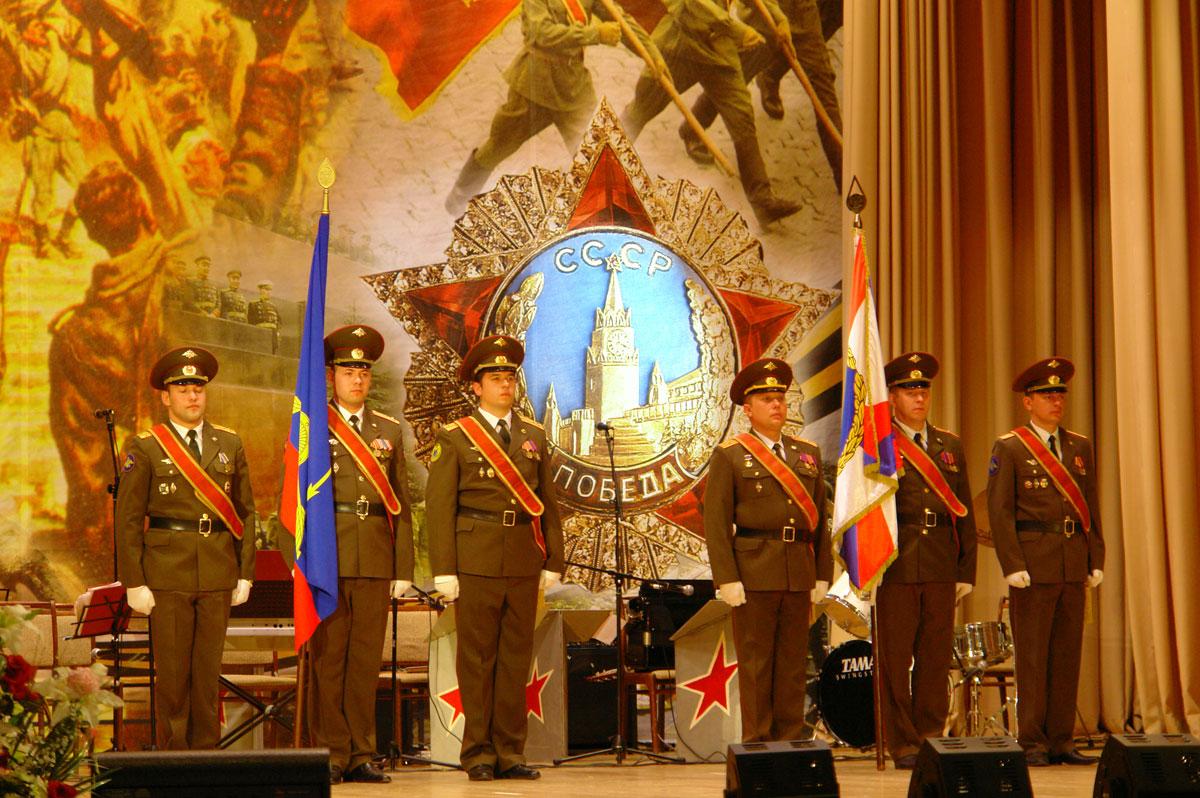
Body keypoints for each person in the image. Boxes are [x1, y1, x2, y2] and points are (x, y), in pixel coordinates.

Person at [426, 334, 564, 780]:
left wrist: (554, 560)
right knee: (477, 659)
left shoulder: (533, 436)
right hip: (475, 558)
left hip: (523, 557)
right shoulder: (456, 437)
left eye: (509, 377)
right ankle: (479, 753)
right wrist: (444, 570)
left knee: (515, 658)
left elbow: (548, 504)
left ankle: (510, 751)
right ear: (477, 386)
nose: (505, 385)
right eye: (495, 378)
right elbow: (440, 508)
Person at [285, 325, 414, 784]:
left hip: (375, 556)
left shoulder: (388, 430)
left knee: (364, 663)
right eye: (347, 371)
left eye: (363, 371)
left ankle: (362, 752)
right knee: (330, 660)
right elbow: (294, 497)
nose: (356, 379)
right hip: (328, 557)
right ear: (331, 376)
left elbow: (401, 504)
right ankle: (332, 752)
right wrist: (299, 558)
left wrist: (403, 567)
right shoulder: (312, 427)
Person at [114, 346, 256, 750]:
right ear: (166, 397)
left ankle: (207, 759)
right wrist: (134, 581)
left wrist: (245, 572)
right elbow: (127, 520)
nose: (192, 396)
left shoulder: (229, 442)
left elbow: (247, 512)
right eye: (182, 389)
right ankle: (176, 761)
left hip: (217, 569)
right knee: (174, 678)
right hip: (167, 572)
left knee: (207, 676)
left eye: (198, 388)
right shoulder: (145, 446)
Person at [703, 358, 831, 742]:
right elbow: (716, 523)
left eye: (780, 398)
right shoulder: (730, 455)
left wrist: (822, 574)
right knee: (757, 666)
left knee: (793, 666)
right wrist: (726, 578)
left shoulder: (806, 453)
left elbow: (820, 519)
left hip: (798, 571)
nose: (776, 405)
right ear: (748, 409)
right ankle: (758, 748)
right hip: (753, 572)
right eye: (766, 399)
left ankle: (790, 742)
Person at [987, 356, 1104, 767]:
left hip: (1072, 562)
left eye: (1059, 394)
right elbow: (1000, 511)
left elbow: (1090, 506)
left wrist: (1095, 557)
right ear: (1028, 401)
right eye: (1046, 395)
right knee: (1033, 657)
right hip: (1032, 565)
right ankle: (1032, 741)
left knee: (1067, 655)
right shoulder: (1010, 447)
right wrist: (1011, 563)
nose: (1056, 402)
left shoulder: (1079, 446)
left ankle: (1061, 739)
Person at [445, 0, 663, 215]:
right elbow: (541, 33)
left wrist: (652, 53)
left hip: (573, 87)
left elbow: (621, 20)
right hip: (534, 87)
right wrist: (595, 34)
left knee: (594, 152)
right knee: (498, 146)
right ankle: (460, 199)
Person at [876, 352, 976, 769]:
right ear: (892, 396)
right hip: (895, 563)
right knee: (895, 661)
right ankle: (902, 741)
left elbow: (964, 510)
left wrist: (965, 569)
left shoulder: (948, 445)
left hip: (939, 561)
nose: (919, 398)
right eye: (909, 391)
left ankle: (930, 736)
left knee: (935, 658)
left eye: (923, 390)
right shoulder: (878, 444)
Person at [620, 0, 802, 226]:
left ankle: (762, 200)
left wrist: (778, 18)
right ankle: (598, 168)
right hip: (679, 45)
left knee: (741, 115)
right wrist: (736, 29)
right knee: (640, 111)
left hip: (717, 50)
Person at [681, 0, 842, 190]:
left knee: (824, 89)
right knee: (737, 77)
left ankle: (843, 173)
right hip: (767, 13)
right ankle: (693, 126)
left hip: (805, 14)